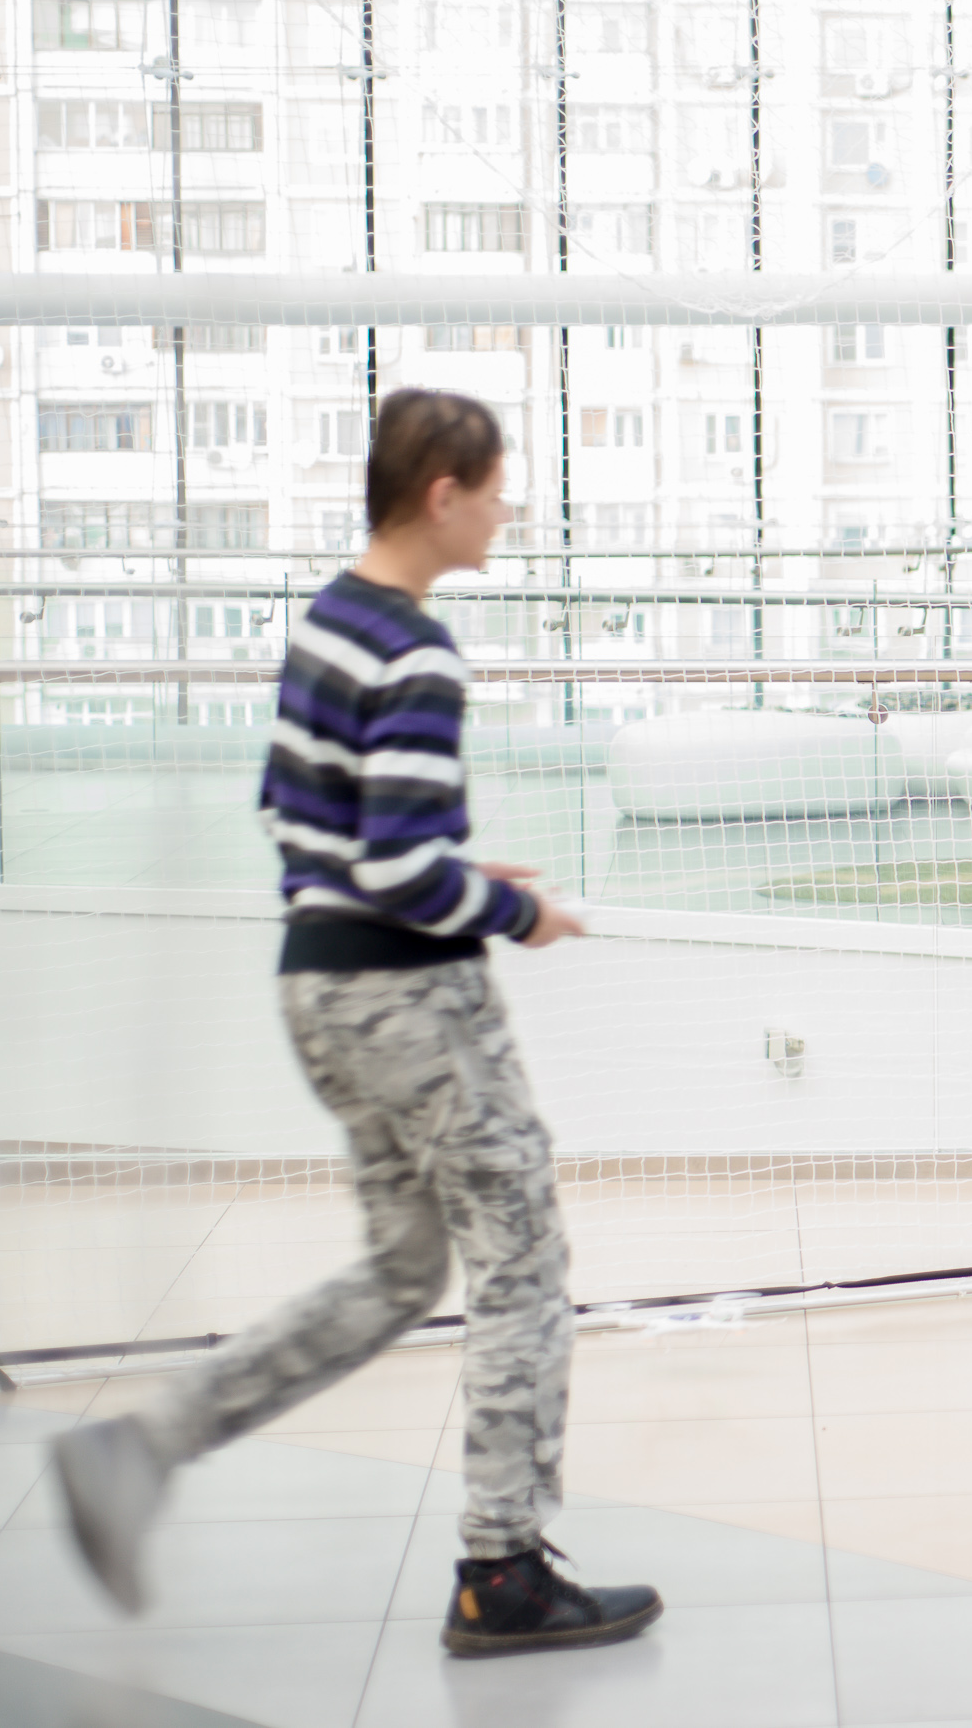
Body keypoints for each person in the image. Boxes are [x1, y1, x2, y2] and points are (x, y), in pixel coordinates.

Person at [50, 390, 662, 1657]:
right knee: (522, 1261)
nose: (505, 512)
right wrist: (516, 911)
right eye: (494, 490)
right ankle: (501, 1572)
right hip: (413, 1000)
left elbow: (297, 820)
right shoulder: (419, 651)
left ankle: (143, 1448)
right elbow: (397, 867)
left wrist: (462, 875)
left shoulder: (329, 620)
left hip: (320, 990)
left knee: (401, 1271)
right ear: (442, 493)